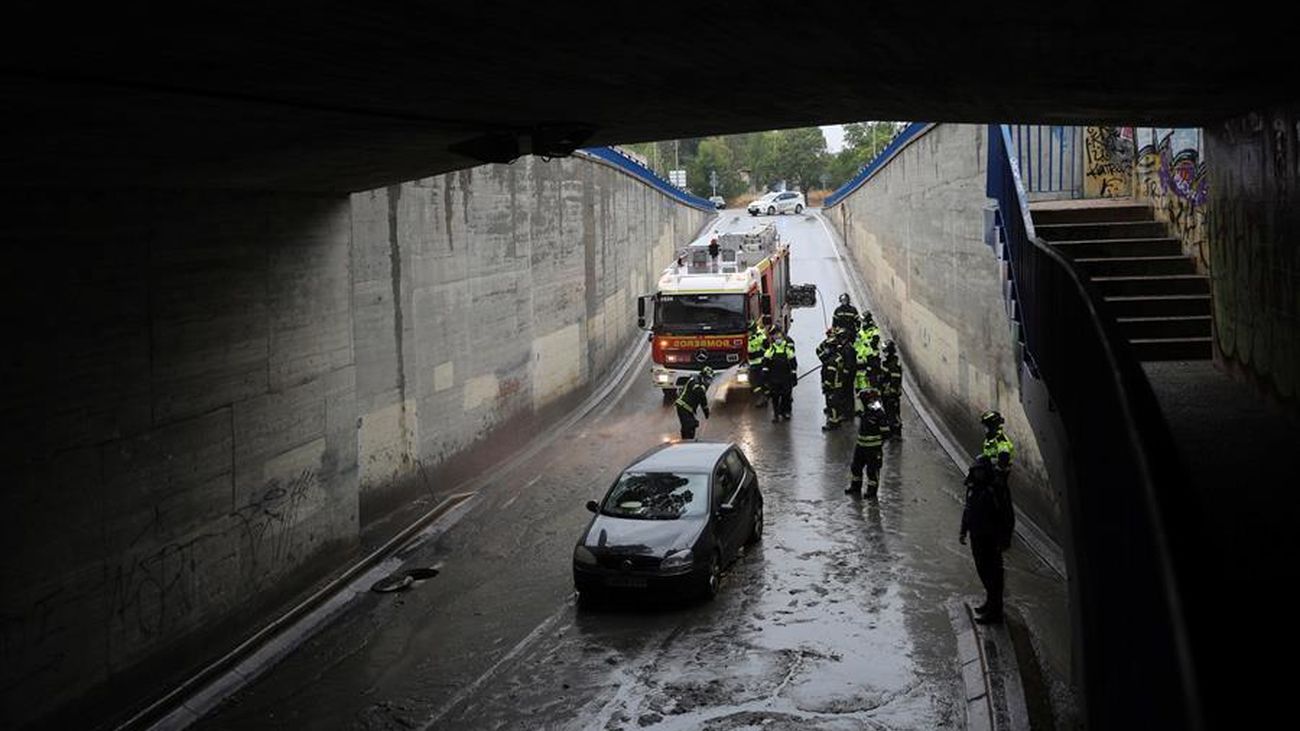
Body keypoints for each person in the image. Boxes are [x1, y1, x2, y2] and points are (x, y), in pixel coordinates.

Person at [959, 454, 1015, 624]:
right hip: (976, 536)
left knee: (994, 575)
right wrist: (963, 530)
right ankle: (990, 602)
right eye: (976, 471)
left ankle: (995, 611)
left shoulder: (995, 489)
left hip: (991, 538)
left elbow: (1007, 515)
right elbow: (968, 510)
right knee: (983, 571)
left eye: (981, 471)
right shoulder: (973, 487)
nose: (978, 474)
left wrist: (1004, 539)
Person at [848, 387, 888, 498]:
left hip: (873, 449)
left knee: (872, 470)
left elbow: (886, 432)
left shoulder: (878, 413)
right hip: (860, 446)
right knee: (856, 467)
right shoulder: (866, 411)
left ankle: (872, 491)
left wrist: (878, 444)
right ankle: (855, 487)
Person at [763, 326, 797, 422]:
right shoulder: (770, 351)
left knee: (786, 396)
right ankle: (776, 414)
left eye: (779, 337)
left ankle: (786, 412)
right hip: (774, 379)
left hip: (785, 378)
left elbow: (793, 364)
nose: (777, 338)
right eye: (776, 337)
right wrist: (765, 379)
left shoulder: (787, 350)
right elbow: (765, 366)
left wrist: (794, 376)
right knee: (775, 397)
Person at [980, 410, 1016, 492]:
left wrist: (996, 467)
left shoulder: (1001, 441)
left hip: (997, 477)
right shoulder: (991, 438)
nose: (985, 429)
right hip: (989, 473)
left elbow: (1004, 458)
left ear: (992, 426)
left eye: (986, 427)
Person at [675, 367, 713, 439]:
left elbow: (703, 399)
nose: (708, 381)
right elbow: (698, 392)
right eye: (706, 379)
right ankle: (686, 442)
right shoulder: (694, 380)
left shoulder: (702, 384)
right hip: (682, 406)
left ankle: (688, 441)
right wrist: (704, 386)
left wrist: (707, 413)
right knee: (689, 425)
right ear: (702, 376)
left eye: (709, 380)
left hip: (689, 409)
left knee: (691, 427)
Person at [747, 319, 769, 407]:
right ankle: (765, 396)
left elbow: (767, 348)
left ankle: (763, 398)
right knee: (755, 383)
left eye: (749, 331)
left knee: (757, 382)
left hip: (760, 363)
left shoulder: (761, 337)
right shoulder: (749, 337)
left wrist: (759, 353)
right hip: (752, 363)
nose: (748, 332)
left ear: (753, 330)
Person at [882, 341, 903, 435]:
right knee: (890, 413)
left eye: (885, 351)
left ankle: (896, 433)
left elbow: (895, 381)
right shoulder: (889, 362)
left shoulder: (893, 365)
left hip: (891, 395)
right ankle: (892, 431)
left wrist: (891, 392)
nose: (884, 353)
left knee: (893, 414)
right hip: (887, 393)